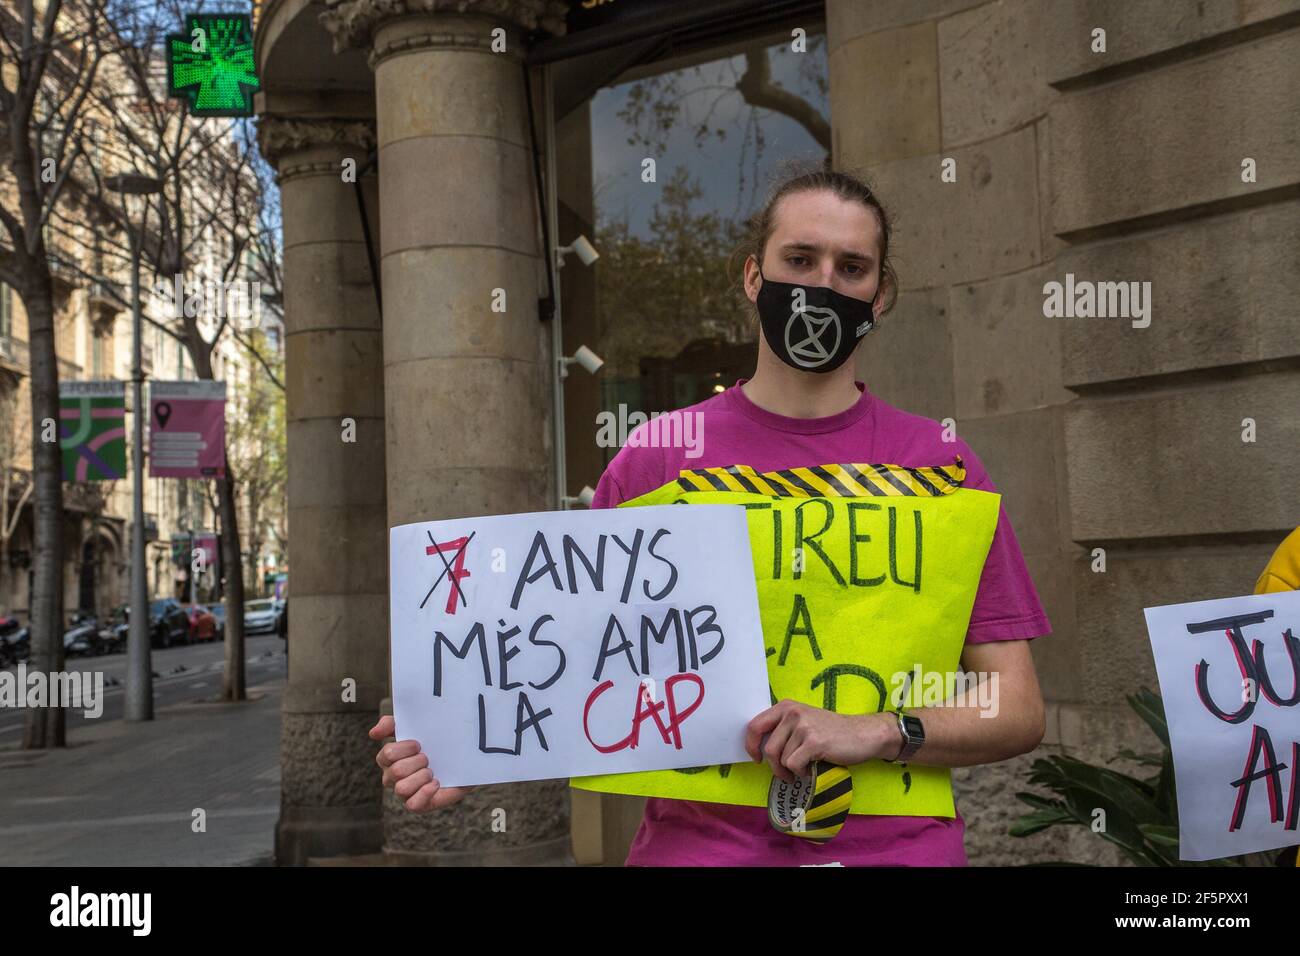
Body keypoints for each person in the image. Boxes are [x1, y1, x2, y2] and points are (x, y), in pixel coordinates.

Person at [370, 166, 1050, 865]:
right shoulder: (658, 457)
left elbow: (1019, 708)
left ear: (881, 295)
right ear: (754, 276)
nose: (822, 285)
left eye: (851, 267)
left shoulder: (939, 465)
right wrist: (458, 733)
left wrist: (878, 729)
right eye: (799, 259)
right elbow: (560, 659)